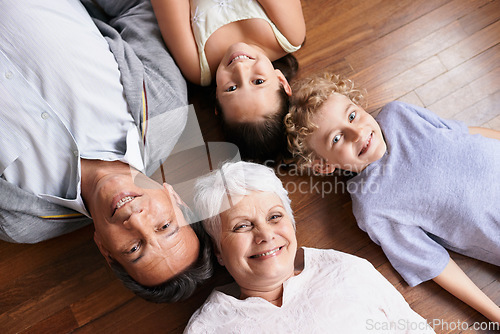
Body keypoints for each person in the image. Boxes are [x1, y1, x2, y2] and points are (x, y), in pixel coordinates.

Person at [0, 0, 212, 303]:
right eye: (165, 226)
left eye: (134, 248)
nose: (135, 220)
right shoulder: (164, 109)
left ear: (105, 250)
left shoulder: (21, 220)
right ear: (175, 198)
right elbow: (135, 6)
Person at [285, 72, 500, 322]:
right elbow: (433, 263)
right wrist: (494, 314)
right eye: (337, 138)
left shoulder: (398, 114)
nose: (357, 133)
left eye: (352, 115)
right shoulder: (372, 205)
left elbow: (463, 133)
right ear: (323, 165)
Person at [185, 161, 435, 333]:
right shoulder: (208, 328)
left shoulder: (347, 271)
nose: (265, 234)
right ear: (218, 251)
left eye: (274, 217)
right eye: (242, 226)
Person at [150, 0, 306, 162]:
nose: (240, 69)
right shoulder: (289, 34)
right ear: (282, 81)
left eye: (231, 88)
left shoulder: (196, 65)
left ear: (217, 100)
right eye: (258, 81)